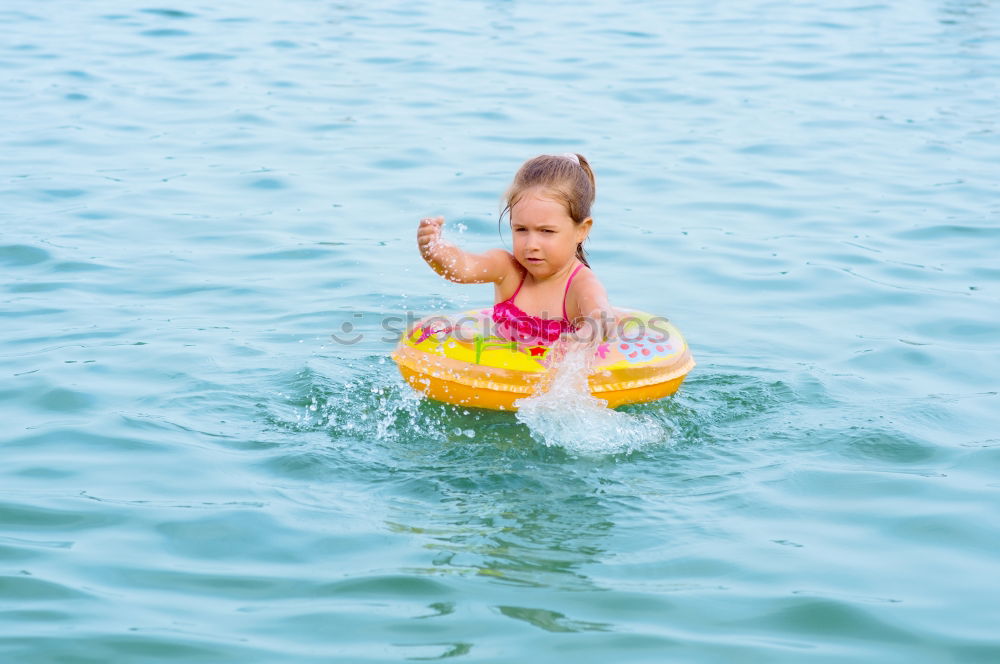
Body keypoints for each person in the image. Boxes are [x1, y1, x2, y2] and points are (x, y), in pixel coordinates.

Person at [417, 153, 615, 347]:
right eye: (521, 229)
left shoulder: (580, 284)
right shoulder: (507, 269)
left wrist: (591, 330)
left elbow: (600, 312)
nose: (531, 244)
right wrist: (437, 252)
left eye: (546, 231)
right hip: (499, 374)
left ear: (582, 230)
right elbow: (463, 268)